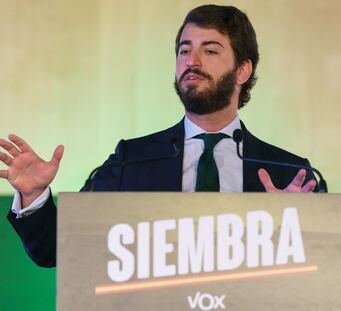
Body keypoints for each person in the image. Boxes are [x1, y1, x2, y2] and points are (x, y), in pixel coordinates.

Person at [0, 5, 320, 268]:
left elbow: (323, 273)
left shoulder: (290, 174)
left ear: (242, 70)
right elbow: (56, 250)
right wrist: (35, 196)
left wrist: (290, 230)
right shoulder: (131, 160)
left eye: (210, 51)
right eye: (184, 51)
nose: (191, 62)